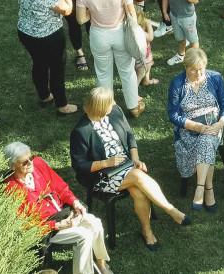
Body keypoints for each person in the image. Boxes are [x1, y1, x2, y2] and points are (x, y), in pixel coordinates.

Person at [69, 87, 189, 250]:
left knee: (138, 190)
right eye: (110, 103)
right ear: (101, 108)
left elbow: (129, 135)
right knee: (138, 177)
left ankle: (147, 232)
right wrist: (106, 163)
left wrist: (135, 159)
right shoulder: (81, 131)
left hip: (126, 165)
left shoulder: (115, 112)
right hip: (101, 176)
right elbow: (79, 165)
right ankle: (171, 211)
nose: (114, 105)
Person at [1, 142, 110, 274]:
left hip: (64, 213)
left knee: (96, 223)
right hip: (47, 229)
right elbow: (25, 224)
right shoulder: (10, 188)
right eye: (24, 162)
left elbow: (61, 187)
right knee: (84, 235)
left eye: (31, 157)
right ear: (13, 166)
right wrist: (57, 225)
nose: (30, 163)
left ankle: (101, 264)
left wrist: (75, 202)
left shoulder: (39, 164)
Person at [76, 0, 144, 116]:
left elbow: (80, 20)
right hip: (120, 33)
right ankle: (133, 106)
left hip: (99, 36)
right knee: (127, 70)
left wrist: (94, 12)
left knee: (103, 73)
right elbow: (131, 14)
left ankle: (106, 108)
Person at [166, 47, 224, 213]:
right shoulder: (178, 83)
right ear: (185, 67)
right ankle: (208, 189)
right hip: (189, 129)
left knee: (207, 138)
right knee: (206, 141)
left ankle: (200, 188)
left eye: (201, 69)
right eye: (194, 70)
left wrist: (220, 123)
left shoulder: (215, 78)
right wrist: (196, 126)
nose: (199, 73)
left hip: (213, 125)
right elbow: (172, 115)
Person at [15, 0, 77, 114]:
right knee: (57, 69)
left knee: (39, 63)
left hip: (26, 33)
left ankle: (44, 95)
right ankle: (62, 105)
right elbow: (68, 9)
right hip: (49, 38)